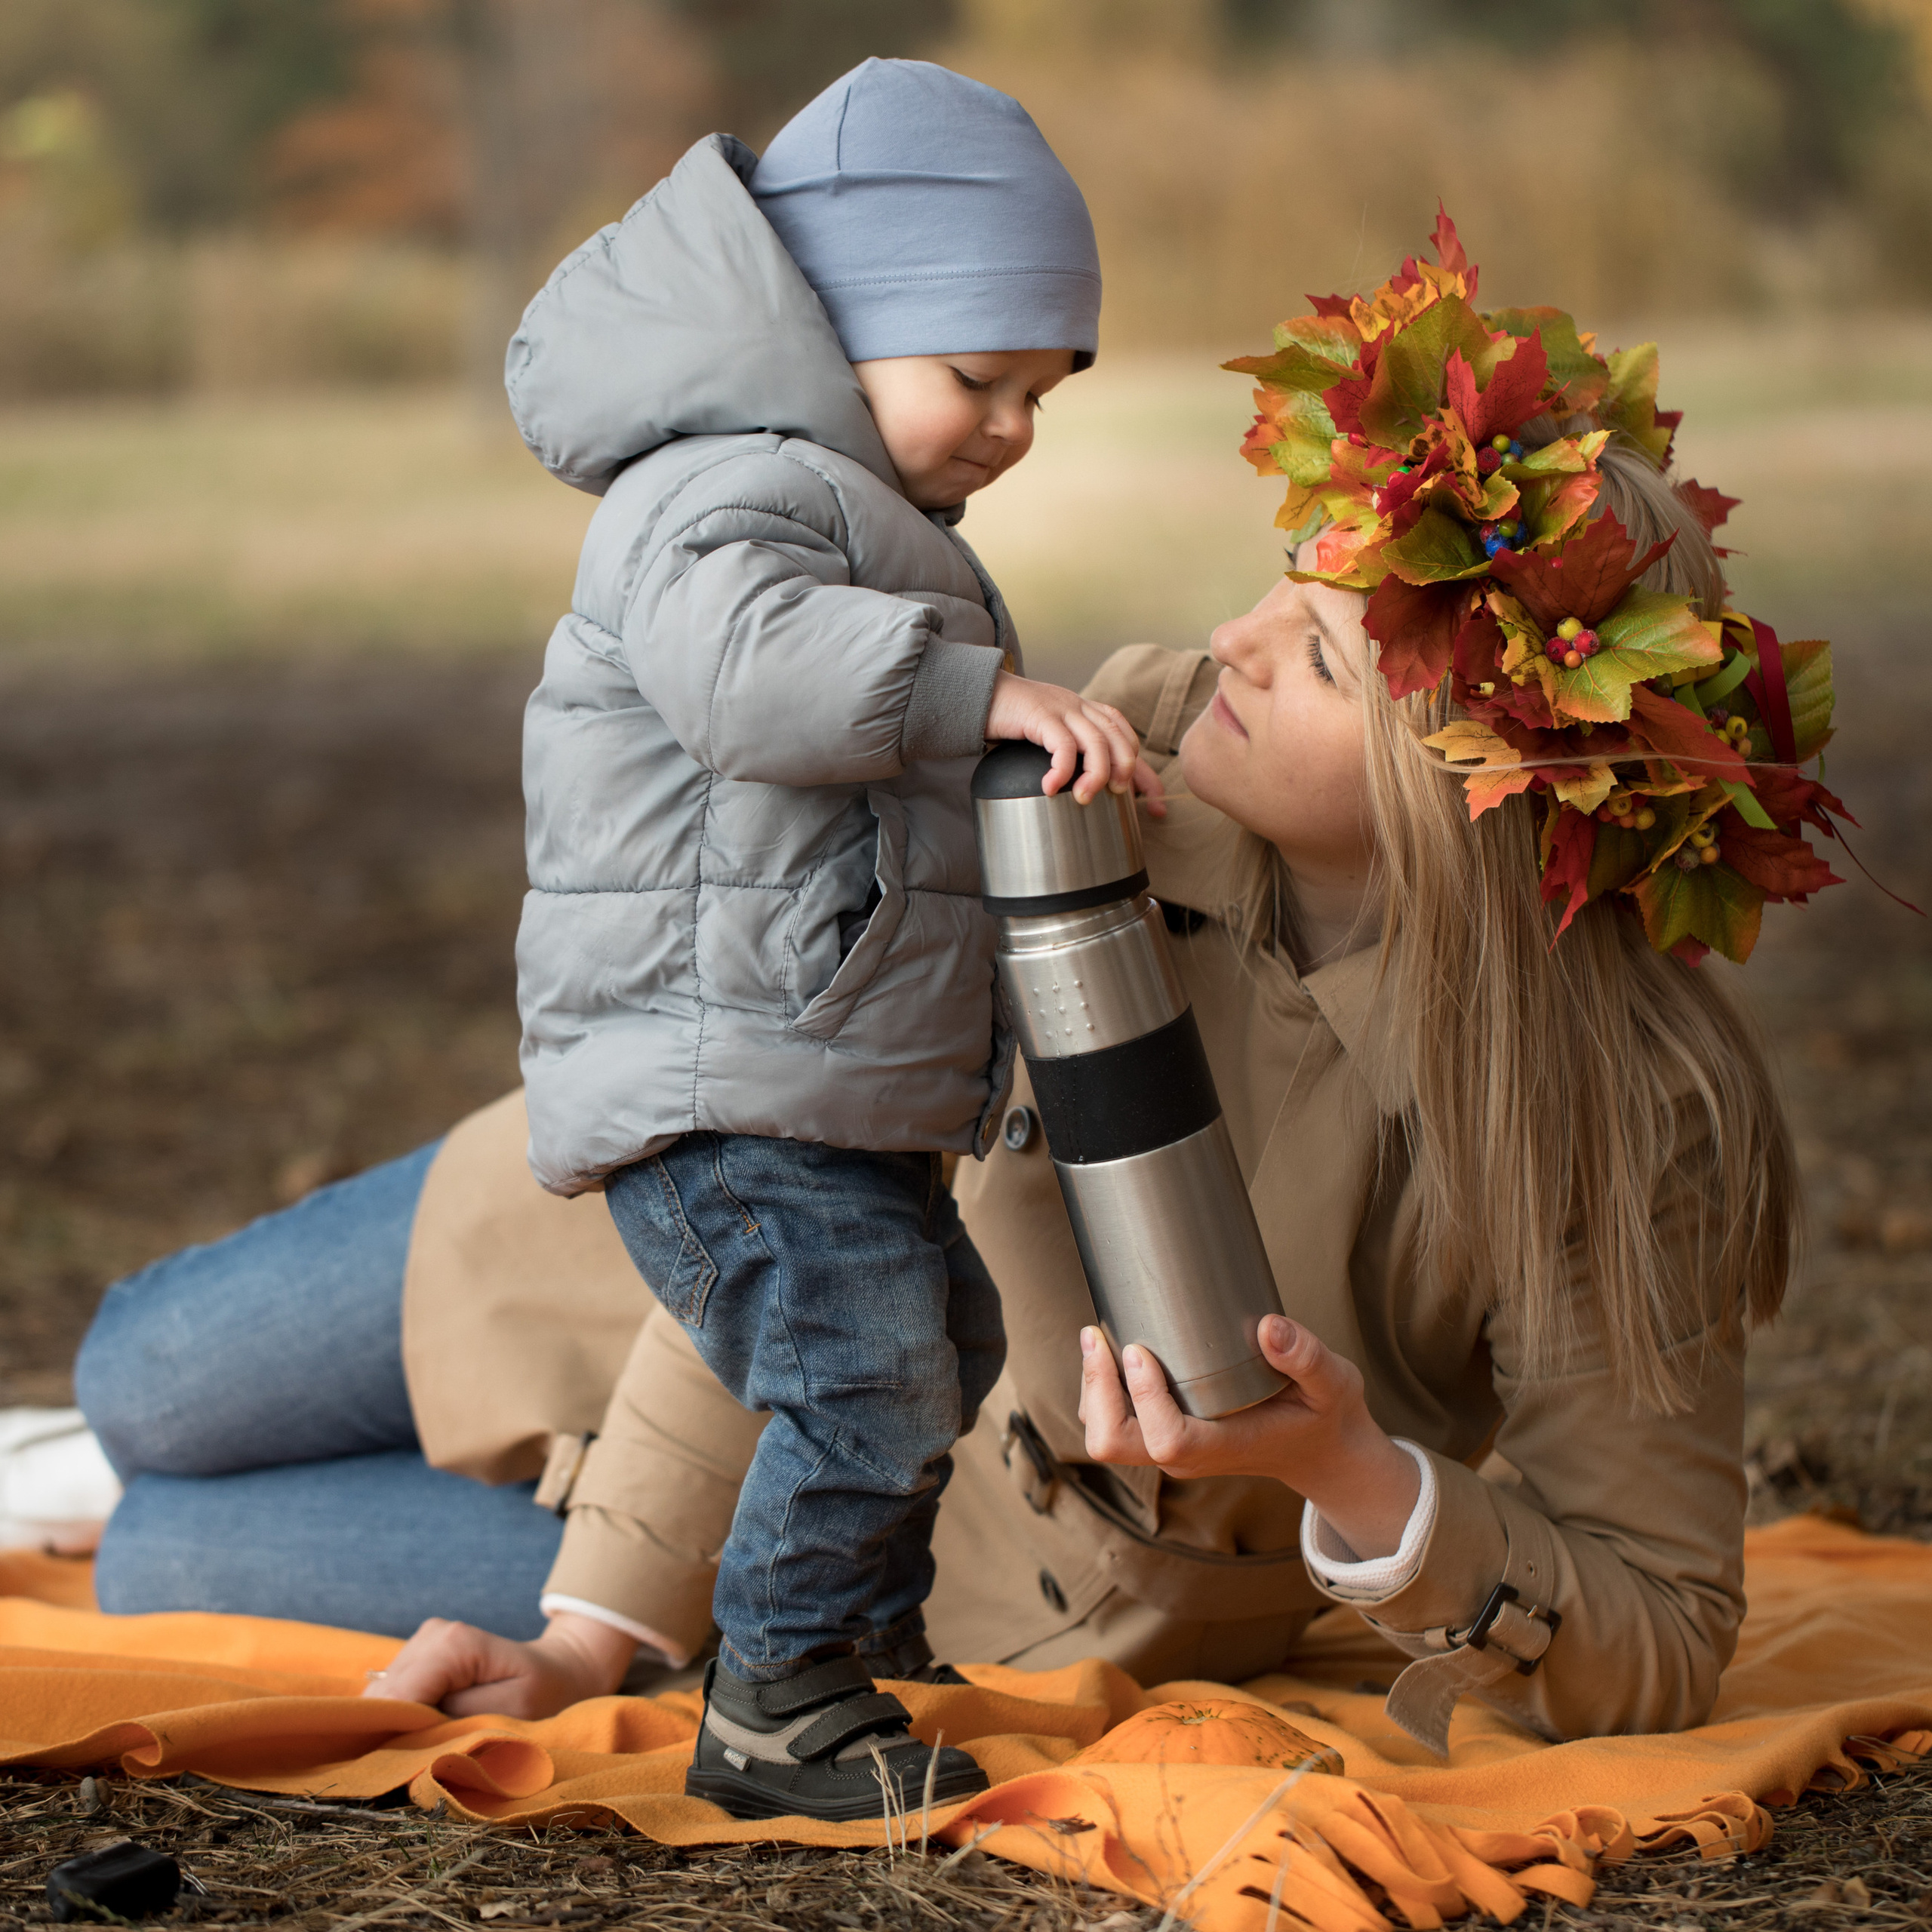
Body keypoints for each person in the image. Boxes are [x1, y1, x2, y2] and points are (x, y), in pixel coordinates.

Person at [58, 215, 1840, 1767]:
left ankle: (108, 1500)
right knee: (145, 1376)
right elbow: (808, 1125)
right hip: (673, 1202)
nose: (1229, 638)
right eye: (1279, 586)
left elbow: (1658, 1630)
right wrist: (600, 1617)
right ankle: (88, 1455)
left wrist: (1350, 1475)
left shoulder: (1615, 1119)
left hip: (871, 1496)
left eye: (1309, 656)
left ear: (1469, 793)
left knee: (161, 1557)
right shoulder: (1116, 768)